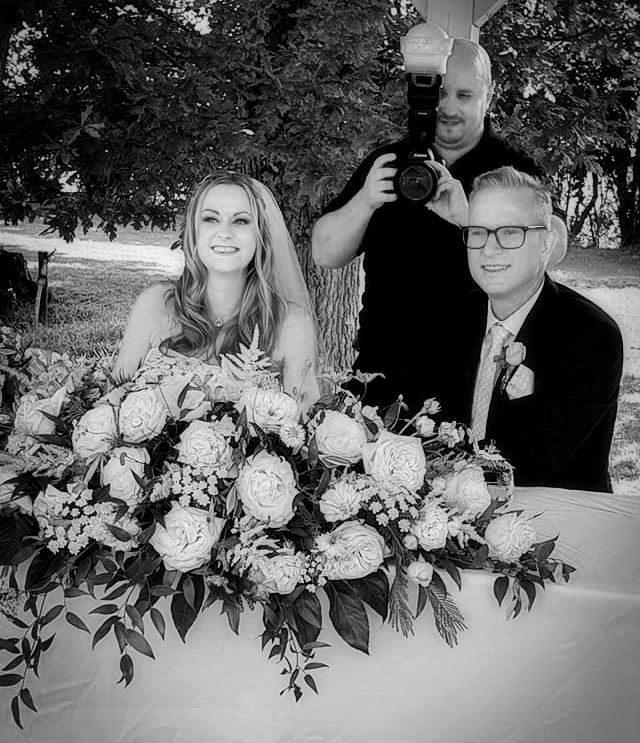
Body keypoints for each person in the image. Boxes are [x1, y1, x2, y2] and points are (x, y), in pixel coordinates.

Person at [311, 35, 567, 414]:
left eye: (464, 96)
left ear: (489, 96)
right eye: (441, 94)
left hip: (474, 381)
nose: (448, 108)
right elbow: (325, 253)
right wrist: (364, 202)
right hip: (382, 379)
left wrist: (473, 219)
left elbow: (556, 245)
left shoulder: (514, 168)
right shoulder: (390, 161)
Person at [439, 166, 622, 492]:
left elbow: (529, 463)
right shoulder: (448, 317)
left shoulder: (591, 336)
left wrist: (436, 480)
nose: (488, 249)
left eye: (510, 232)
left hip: (556, 521)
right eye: (478, 231)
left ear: (546, 243)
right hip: (446, 517)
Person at [112, 171, 319, 411]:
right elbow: (113, 405)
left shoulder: (291, 323)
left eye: (241, 221)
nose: (225, 233)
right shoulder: (154, 304)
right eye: (211, 219)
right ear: (194, 231)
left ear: (260, 234)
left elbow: (304, 429)